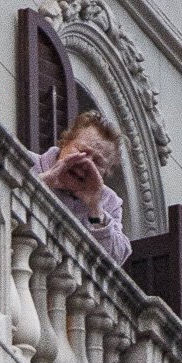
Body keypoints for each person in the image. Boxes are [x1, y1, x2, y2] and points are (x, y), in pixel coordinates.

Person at [37, 110, 131, 266]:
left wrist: (95, 209)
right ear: (65, 142)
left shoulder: (109, 202)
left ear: (106, 172)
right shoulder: (28, 163)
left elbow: (116, 260)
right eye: (82, 152)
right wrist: (43, 182)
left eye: (98, 162)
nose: (86, 163)